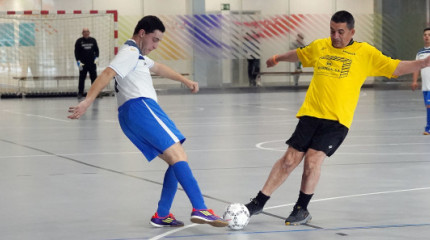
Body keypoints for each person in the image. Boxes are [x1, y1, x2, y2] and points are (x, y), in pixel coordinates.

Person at [244, 10, 430, 226]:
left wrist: (423, 64)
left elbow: (395, 67)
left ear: (352, 32)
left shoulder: (364, 52)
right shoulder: (321, 46)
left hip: (337, 121)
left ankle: (301, 208)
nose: (335, 36)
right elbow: (300, 54)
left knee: (312, 161)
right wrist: (277, 57)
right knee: (288, 160)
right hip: (310, 113)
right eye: (332, 31)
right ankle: (259, 202)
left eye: (340, 32)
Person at [68, 16, 228, 228]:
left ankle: (162, 214)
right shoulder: (131, 52)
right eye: (155, 39)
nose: (155, 45)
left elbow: (159, 68)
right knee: (178, 155)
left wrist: (185, 80)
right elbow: (107, 72)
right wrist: (88, 101)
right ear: (142, 33)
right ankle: (200, 208)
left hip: (131, 113)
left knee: (177, 157)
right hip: (141, 107)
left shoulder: (138, 55)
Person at [411, 27, 430, 135]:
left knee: (429, 106)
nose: (427, 36)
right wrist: (414, 81)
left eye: (429, 35)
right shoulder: (420, 53)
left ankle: (428, 127)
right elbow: (416, 67)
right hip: (425, 86)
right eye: (425, 35)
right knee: (427, 106)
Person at [74, 28, 99, 99]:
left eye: (87, 31)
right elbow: (76, 52)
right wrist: (78, 61)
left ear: (89, 32)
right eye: (84, 32)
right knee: (82, 78)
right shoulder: (79, 41)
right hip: (83, 64)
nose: (86, 33)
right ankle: (80, 93)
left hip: (92, 63)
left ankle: (94, 93)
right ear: (82, 33)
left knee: (94, 78)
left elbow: (97, 50)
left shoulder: (93, 40)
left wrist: (96, 58)